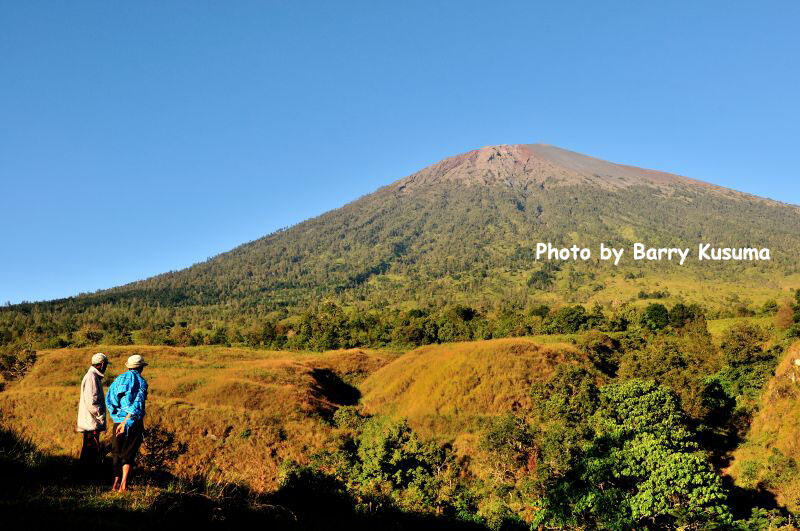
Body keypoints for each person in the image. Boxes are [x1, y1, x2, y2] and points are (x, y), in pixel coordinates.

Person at [105, 354, 148, 492]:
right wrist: (127, 421)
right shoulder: (141, 382)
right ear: (141, 367)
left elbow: (109, 400)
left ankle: (114, 484)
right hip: (133, 422)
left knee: (117, 452)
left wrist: (118, 417)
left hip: (118, 421)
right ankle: (123, 485)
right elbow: (138, 404)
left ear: (128, 366)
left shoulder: (118, 380)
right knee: (129, 453)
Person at [76, 352, 109, 477]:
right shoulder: (92, 377)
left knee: (88, 449)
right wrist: (100, 415)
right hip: (92, 422)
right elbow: (92, 401)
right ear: (101, 364)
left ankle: (85, 475)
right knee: (91, 449)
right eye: (105, 364)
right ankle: (87, 476)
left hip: (89, 421)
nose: (106, 367)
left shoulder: (92, 376)